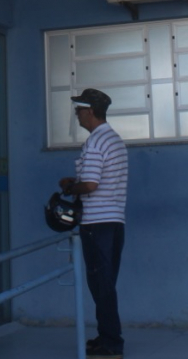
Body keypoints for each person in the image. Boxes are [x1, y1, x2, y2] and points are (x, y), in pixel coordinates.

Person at [58, 88, 128, 359]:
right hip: (114, 222)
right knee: (105, 282)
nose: (76, 115)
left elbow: (90, 184)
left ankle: (112, 344)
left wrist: (68, 187)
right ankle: (106, 336)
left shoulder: (96, 143)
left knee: (101, 284)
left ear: (89, 111)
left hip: (97, 223)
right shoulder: (114, 140)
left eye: (78, 110)